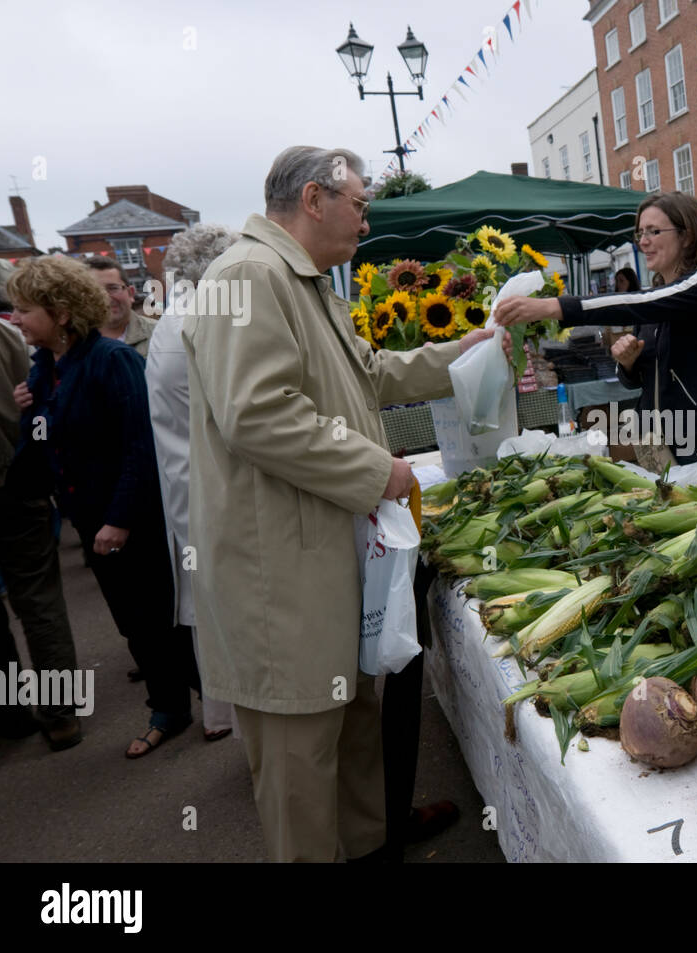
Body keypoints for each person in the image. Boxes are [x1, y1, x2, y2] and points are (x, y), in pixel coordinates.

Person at [182, 145, 494, 863]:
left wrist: (463, 352)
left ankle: (370, 844)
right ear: (315, 199)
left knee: (351, 731)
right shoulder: (251, 276)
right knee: (301, 771)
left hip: (320, 562)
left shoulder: (306, 281)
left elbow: (369, 374)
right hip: (278, 582)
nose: (367, 218)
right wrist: (376, 469)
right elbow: (257, 413)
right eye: (360, 203)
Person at [7, 256, 199, 758]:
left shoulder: (113, 362)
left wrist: (119, 520)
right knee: (134, 622)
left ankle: (208, 703)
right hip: (93, 520)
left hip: (134, 519)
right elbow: (42, 454)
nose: (16, 319)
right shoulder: (45, 370)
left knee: (164, 618)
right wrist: (31, 414)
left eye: (25, 309)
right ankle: (173, 708)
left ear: (62, 313)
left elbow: (142, 445)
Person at [496, 191, 697, 491]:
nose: (643, 241)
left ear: (687, 236)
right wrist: (627, 364)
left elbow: (636, 302)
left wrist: (553, 307)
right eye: (640, 232)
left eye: (654, 231)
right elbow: (635, 380)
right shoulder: (653, 300)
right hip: (658, 447)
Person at [146, 223, 239, 742]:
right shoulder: (201, 323)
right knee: (233, 623)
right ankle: (253, 740)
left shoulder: (170, 322)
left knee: (215, 618)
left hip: (189, 493)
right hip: (213, 494)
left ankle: (227, 721)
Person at [0, 311, 83, 749]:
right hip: (16, 481)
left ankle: (8, 713)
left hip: (14, 482)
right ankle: (61, 714)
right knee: (39, 601)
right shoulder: (4, 334)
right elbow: (36, 399)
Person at [84, 259, 157, 357]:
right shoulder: (75, 343)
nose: (105, 298)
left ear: (130, 293)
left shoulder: (159, 333)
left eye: (113, 288)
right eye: (95, 291)